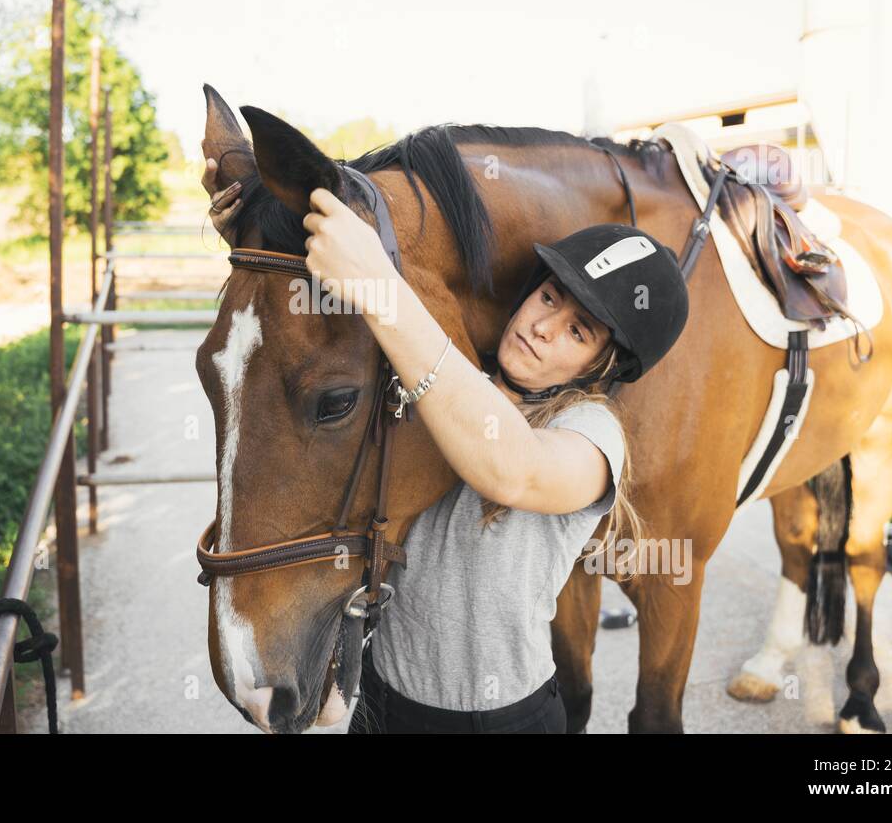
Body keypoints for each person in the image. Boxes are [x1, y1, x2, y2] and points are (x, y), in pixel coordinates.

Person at [205, 162, 690, 733]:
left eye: (578, 332)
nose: (543, 327)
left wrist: (381, 290)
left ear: (601, 366)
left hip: (503, 720)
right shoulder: (446, 374)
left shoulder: (591, 435)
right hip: (385, 705)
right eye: (549, 298)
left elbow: (514, 470)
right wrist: (263, 227)